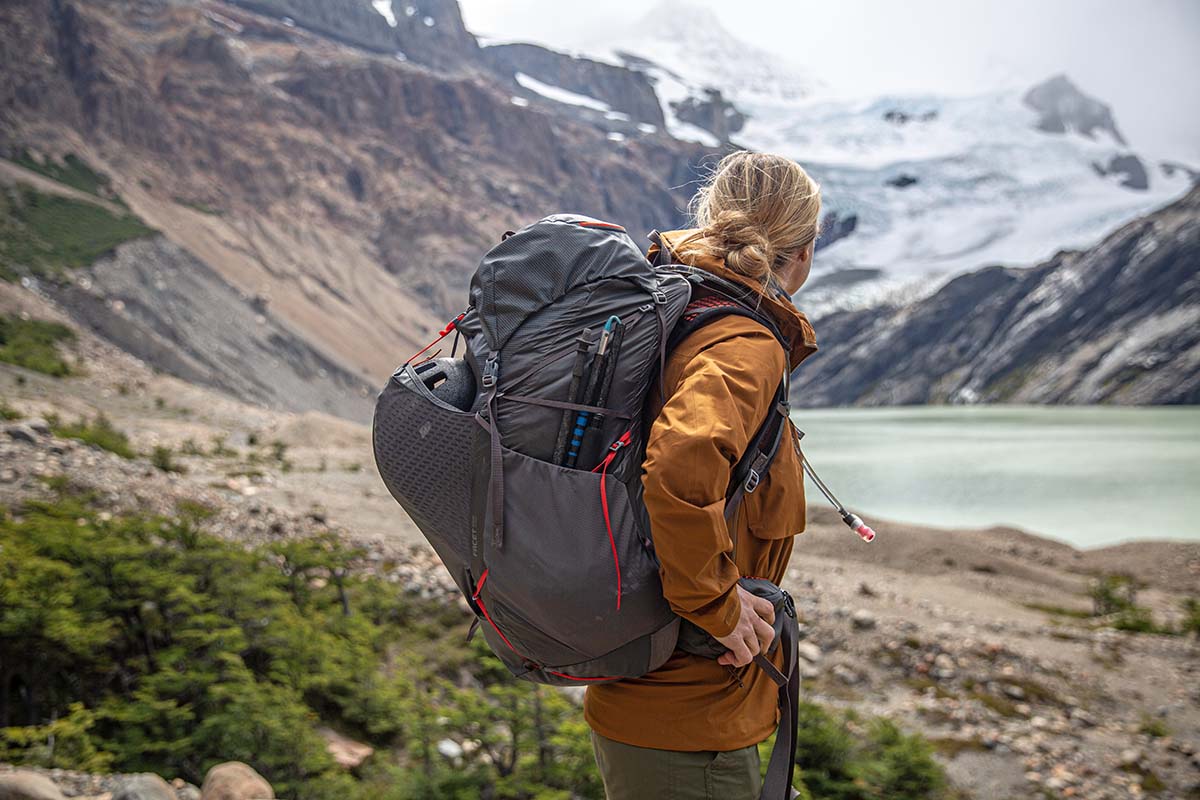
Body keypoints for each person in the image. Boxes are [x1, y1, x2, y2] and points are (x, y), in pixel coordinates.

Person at [584, 150, 821, 800]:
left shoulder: (671, 308)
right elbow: (681, 463)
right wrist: (715, 608)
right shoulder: (744, 344)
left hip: (648, 692)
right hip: (690, 721)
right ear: (799, 254)